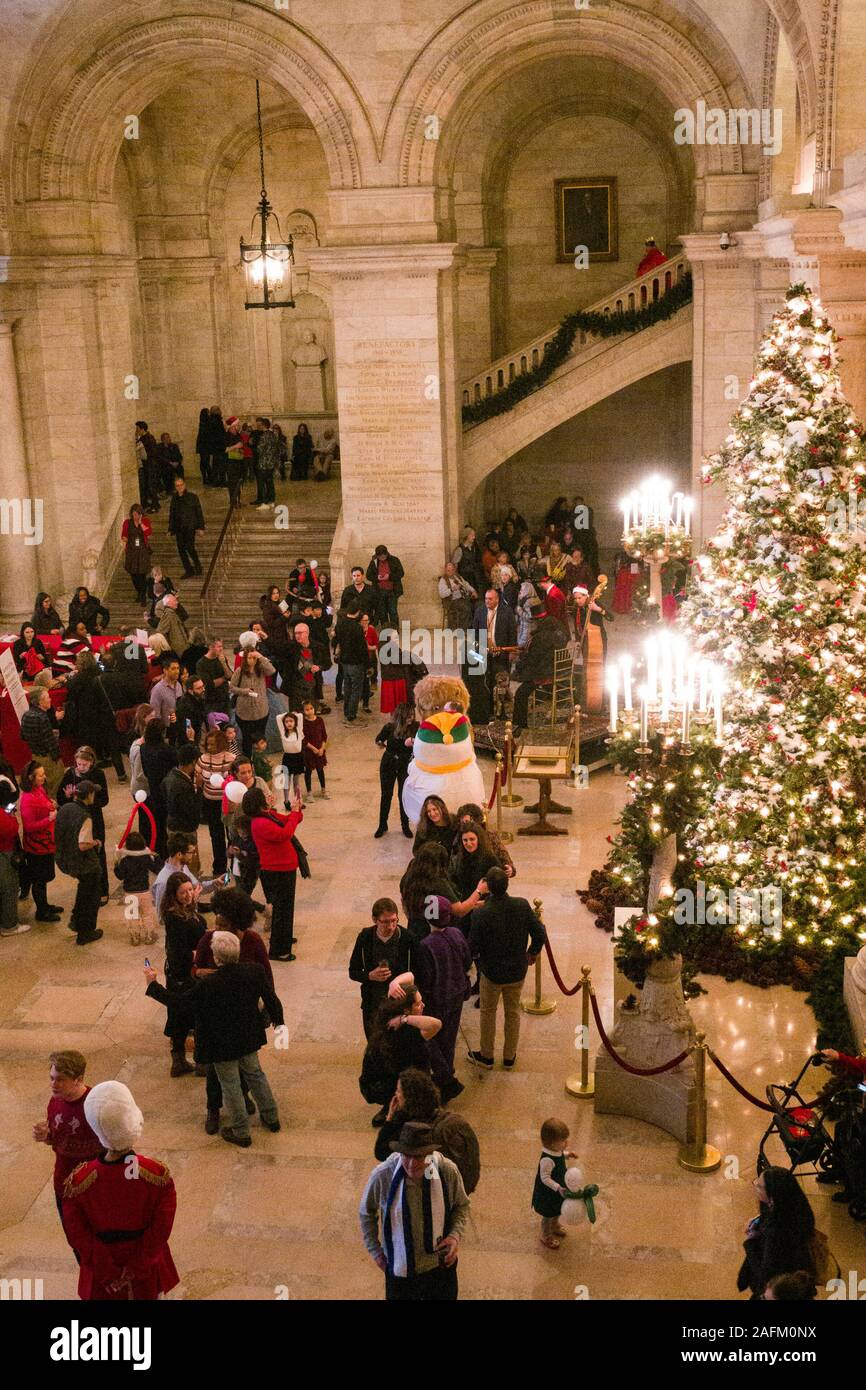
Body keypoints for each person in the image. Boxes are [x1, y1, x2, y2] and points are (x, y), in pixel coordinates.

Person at [146, 930, 283, 1147]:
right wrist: (279, 1021)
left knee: (230, 1084)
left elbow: (180, 1004)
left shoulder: (209, 984)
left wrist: (153, 985)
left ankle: (241, 1130)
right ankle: (271, 1117)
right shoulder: (254, 971)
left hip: (222, 1044)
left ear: (217, 958)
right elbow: (271, 999)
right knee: (256, 1074)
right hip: (248, 1036)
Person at [61, 1080, 179, 1300]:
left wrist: (109, 1272)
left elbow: (78, 1236)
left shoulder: (78, 1182)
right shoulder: (157, 1176)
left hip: (102, 1270)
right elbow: (160, 1230)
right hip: (147, 1269)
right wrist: (135, 1268)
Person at [359, 1120, 469, 1301]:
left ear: (430, 1154)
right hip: (401, 1270)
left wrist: (455, 1235)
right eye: (406, 1155)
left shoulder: (445, 1172)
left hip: (440, 1267)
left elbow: (461, 1205)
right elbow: (366, 1212)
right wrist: (375, 1251)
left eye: (418, 1157)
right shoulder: (383, 1175)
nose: (411, 1164)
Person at [389, 896, 471, 1101]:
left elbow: (425, 977)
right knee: (449, 1037)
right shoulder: (456, 934)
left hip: (437, 999)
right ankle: (448, 1073)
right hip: (457, 993)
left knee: (431, 1039)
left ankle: (444, 1079)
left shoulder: (426, 945)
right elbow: (467, 960)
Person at [467, 866, 546, 1069]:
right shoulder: (521, 905)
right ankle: (509, 1056)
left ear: (488, 888)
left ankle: (486, 1055)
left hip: (492, 973)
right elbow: (539, 931)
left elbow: (473, 945)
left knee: (488, 1012)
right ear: (507, 884)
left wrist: (477, 960)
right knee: (513, 1013)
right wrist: (532, 952)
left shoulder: (481, 913)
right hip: (517, 971)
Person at [373, 1070, 481, 1196]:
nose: (395, 1095)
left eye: (398, 1091)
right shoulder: (442, 1116)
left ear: (408, 1097)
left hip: (432, 1193)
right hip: (458, 1187)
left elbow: (381, 1152)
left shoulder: (412, 1130)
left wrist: (390, 1118)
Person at [32, 1050, 103, 1233]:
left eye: (60, 1079)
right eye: (51, 1078)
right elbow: (56, 1140)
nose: (53, 1085)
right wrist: (46, 1136)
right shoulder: (55, 1101)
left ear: (78, 1079)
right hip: (64, 1184)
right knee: (74, 1237)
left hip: (93, 1186)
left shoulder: (96, 1104)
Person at [359, 990, 442, 1126]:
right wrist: (405, 1019)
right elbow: (436, 1024)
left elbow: (409, 975)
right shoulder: (409, 1033)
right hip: (401, 1082)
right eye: (418, 1004)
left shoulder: (387, 1022)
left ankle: (392, 1107)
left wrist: (394, 984)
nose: (423, 1005)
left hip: (388, 1081)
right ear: (406, 1010)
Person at [736, 1167, 820, 1299]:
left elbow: (765, 1274)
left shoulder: (776, 1233)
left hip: (779, 1287)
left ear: (773, 1197)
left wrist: (750, 1240)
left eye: (759, 1186)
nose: (755, 1185)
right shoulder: (796, 1207)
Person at [243, 784, 303, 961]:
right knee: (282, 909)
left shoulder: (266, 815)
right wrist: (293, 814)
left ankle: (284, 937)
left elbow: (289, 821)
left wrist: (296, 810)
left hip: (284, 867)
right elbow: (284, 834)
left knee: (286, 907)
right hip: (277, 870)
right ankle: (278, 949)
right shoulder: (259, 822)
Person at [157, 871, 207, 1076]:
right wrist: (197, 961)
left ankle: (180, 1062)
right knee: (192, 1016)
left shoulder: (185, 910)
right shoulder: (175, 917)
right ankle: (200, 1063)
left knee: (180, 1016)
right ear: (173, 894)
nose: (188, 895)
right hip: (185, 974)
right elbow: (180, 950)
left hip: (183, 972)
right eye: (183, 892)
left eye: (189, 890)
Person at [349, 898, 416, 1039]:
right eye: (385, 922)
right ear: (375, 920)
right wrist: (369, 976)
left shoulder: (408, 939)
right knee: (374, 1043)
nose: (391, 926)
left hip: (399, 1003)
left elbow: (418, 973)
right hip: (373, 1001)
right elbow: (353, 971)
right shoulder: (365, 937)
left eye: (394, 920)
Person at [61, 652, 126, 783]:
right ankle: (120, 773)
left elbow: (71, 692)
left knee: (86, 743)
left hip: (85, 714)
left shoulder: (79, 678)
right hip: (103, 713)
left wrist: (68, 680)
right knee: (112, 744)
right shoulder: (99, 673)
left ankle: (88, 770)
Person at [399, 841, 482, 941]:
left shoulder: (409, 878)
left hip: (415, 929)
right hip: (437, 935)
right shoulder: (438, 883)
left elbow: (404, 903)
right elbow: (460, 910)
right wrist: (479, 890)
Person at [54, 781, 104, 945]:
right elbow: (83, 844)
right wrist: (96, 842)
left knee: (83, 891)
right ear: (89, 795)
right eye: (93, 793)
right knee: (90, 896)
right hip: (82, 863)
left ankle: (76, 922)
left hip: (64, 858)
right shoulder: (85, 816)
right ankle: (85, 932)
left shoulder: (66, 807)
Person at [58, 746, 111, 902]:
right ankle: (87, 888)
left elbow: (105, 799)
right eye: (78, 764)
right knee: (82, 855)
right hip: (77, 820)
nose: (80, 768)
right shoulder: (69, 774)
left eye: (84, 765)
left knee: (98, 854)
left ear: (91, 763)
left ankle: (103, 889)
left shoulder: (98, 774)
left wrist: (87, 800)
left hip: (94, 819)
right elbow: (61, 800)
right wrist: (67, 796)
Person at [511, 611, 571, 732]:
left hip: (544, 674)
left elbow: (533, 660)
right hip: (559, 670)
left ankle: (520, 724)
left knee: (520, 693)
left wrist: (520, 661)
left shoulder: (539, 638)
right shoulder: (561, 634)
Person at [19, 761, 62, 922]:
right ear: (31, 778)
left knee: (45, 877)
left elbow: (45, 805)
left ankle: (45, 905)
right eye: (41, 775)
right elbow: (29, 827)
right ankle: (41, 911)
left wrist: (52, 805)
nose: (44, 777)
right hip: (37, 847)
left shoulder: (40, 789)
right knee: (39, 880)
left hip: (47, 843)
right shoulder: (27, 799)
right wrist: (49, 818)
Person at [531, 1117, 581, 1249]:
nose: (566, 1143)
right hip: (548, 1192)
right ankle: (545, 1234)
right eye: (563, 1141)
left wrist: (567, 1154)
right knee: (548, 1213)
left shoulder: (555, 1150)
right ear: (552, 1144)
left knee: (557, 1208)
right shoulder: (546, 1160)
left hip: (558, 1189)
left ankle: (555, 1224)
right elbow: (545, 1178)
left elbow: (559, 1154)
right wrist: (558, 1187)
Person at [195, 727, 235, 875]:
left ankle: (234, 865)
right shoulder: (203, 759)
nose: (210, 747)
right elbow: (197, 778)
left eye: (213, 744)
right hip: (210, 803)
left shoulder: (231, 758)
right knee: (216, 836)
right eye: (208, 744)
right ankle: (219, 867)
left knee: (231, 834)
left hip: (228, 803)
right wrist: (197, 782)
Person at [374, 701, 415, 838]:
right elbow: (378, 739)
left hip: (405, 765)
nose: (411, 718)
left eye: (412, 715)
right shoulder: (389, 727)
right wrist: (380, 743)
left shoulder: (415, 727)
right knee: (386, 795)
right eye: (408, 716)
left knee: (403, 796)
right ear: (401, 716)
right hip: (388, 763)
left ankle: (405, 825)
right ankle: (382, 825)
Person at [113, 831, 162, 945]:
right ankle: (149, 935)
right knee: (147, 914)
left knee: (132, 916)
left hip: (129, 893)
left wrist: (116, 864)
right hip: (144, 891)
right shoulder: (146, 858)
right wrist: (157, 857)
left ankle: (135, 937)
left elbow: (120, 876)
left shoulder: (125, 861)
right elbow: (156, 869)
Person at [140, 719, 178, 859]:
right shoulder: (167, 749)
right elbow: (176, 765)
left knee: (157, 823)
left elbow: (144, 770)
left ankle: (159, 851)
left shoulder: (143, 748)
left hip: (153, 788)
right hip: (167, 789)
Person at [20, 687, 65, 796]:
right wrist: (57, 757)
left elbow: (23, 736)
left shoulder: (26, 715)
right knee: (54, 784)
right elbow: (50, 744)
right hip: (48, 758)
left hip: (35, 756)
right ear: (40, 702)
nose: (50, 699)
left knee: (41, 785)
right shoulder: (42, 718)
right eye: (47, 697)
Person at [230, 647, 275, 755]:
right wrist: (244, 691)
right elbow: (232, 687)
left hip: (261, 711)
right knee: (247, 739)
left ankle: (260, 760)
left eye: (254, 658)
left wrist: (260, 656)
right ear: (245, 658)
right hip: (244, 713)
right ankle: (248, 760)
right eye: (249, 658)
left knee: (260, 739)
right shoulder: (239, 671)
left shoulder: (261, 668)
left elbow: (272, 670)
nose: (252, 660)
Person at [164, 744, 202, 865]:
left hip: (172, 824)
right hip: (184, 829)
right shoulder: (183, 785)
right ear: (193, 762)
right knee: (190, 866)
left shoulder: (170, 775)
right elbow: (193, 810)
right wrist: (199, 789)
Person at [334, 601, 369, 724]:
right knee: (356, 689)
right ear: (358, 612)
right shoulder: (357, 627)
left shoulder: (340, 624)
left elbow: (336, 641)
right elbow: (362, 648)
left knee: (347, 687)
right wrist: (368, 664)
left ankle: (346, 711)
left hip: (344, 661)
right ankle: (351, 714)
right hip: (356, 662)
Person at [168, 476, 205, 578]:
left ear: (184, 485)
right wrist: (170, 529)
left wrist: (200, 527)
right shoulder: (174, 499)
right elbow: (172, 514)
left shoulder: (192, 497)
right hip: (179, 528)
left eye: (181, 485)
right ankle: (188, 569)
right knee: (181, 549)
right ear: (175, 487)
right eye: (177, 486)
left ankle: (198, 566)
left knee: (190, 547)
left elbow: (199, 512)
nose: (179, 487)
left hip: (190, 527)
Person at [366, 545, 404, 629]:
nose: (382, 558)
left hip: (392, 591)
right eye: (380, 557)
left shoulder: (394, 560)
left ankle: (395, 630)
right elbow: (368, 575)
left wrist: (389, 577)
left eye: (384, 556)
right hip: (379, 591)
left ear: (387, 554)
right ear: (377, 555)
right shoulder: (374, 562)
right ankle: (385, 631)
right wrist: (377, 578)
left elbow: (401, 573)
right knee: (382, 612)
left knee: (393, 611)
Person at [197, 637, 233, 718]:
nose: (221, 649)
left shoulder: (222, 659)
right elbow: (209, 685)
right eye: (218, 646)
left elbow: (230, 677)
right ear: (211, 647)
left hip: (225, 699)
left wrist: (223, 663)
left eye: (221, 646)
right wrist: (224, 678)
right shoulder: (201, 663)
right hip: (211, 701)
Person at [301, 699, 328, 800]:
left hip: (320, 751)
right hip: (309, 752)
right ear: (303, 711)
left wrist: (322, 748)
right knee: (308, 771)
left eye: (311, 708)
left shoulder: (320, 720)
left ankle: (323, 789)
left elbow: (324, 736)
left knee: (320, 770)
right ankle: (309, 793)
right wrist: (313, 749)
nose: (310, 711)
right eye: (307, 709)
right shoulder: (303, 722)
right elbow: (303, 739)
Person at [277, 711, 305, 807]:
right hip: (288, 758)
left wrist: (294, 714)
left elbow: (300, 716)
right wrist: (286, 714)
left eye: (291, 721)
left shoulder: (299, 730)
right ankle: (286, 801)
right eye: (286, 721)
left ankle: (298, 801)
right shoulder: (283, 732)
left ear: (295, 722)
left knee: (296, 782)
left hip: (298, 758)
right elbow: (278, 717)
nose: (289, 723)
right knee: (286, 782)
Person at [438, 562, 476, 631]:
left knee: (475, 605)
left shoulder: (457, 577)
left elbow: (466, 584)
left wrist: (473, 591)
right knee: (466, 608)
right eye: (448, 570)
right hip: (451, 601)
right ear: (445, 570)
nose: (450, 572)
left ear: (454, 570)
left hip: (462, 598)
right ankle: (461, 630)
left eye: (452, 570)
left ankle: (468, 627)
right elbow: (442, 594)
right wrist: (452, 589)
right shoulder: (443, 580)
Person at [252, 416, 280, 508]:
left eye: (260, 425)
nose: (259, 427)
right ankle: (271, 501)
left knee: (261, 483)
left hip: (263, 463)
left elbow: (259, 449)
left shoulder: (264, 436)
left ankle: (264, 503)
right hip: (271, 463)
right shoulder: (273, 435)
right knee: (270, 483)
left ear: (263, 425)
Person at [149, 655, 183, 729]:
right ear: (165, 670)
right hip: (166, 730)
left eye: (178, 668)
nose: (177, 671)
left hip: (179, 727)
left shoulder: (178, 685)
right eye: (173, 669)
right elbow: (155, 715)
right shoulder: (157, 690)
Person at [135, 421, 161, 511]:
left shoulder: (147, 439)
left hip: (150, 465)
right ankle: (149, 503)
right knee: (148, 485)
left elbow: (151, 453)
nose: (136, 431)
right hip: (149, 465)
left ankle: (155, 506)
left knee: (151, 485)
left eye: (137, 429)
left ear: (142, 429)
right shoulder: (146, 437)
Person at [156, 593, 190, 657]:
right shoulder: (168, 614)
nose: (177, 602)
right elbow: (160, 632)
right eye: (175, 600)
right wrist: (167, 647)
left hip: (182, 649)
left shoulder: (172, 613)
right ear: (168, 603)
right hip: (177, 651)